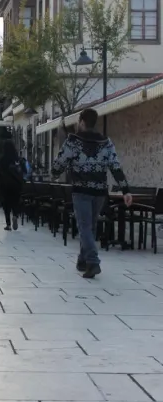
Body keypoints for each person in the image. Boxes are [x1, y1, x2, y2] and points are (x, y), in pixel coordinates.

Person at [52, 108, 132, 279]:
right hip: (100, 191)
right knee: (91, 226)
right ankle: (82, 260)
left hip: (81, 190)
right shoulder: (106, 142)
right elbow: (115, 167)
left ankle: (93, 262)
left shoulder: (73, 141)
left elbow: (59, 164)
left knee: (84, 227)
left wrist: (55, 172)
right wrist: (126, 190)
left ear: (81, 122)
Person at [0, 139, 25, 231]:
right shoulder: (18, 159)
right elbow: (24, 170)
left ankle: (8, 224)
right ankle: (15, 215)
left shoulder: (2, 159)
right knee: (15, 202)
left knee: (6, 204)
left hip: (5, 185)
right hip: (17, 185)